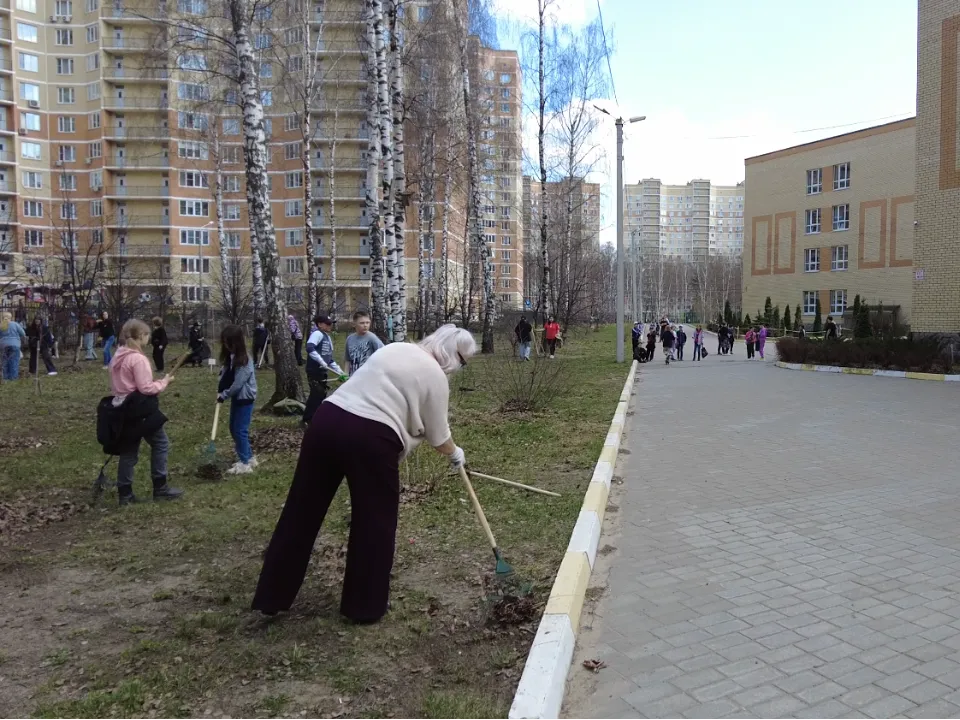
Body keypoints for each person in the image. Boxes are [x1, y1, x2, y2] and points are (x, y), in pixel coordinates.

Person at [251, 324, 477, 623]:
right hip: (370, 439)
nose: (459, 369)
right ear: (454, 356)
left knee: (301, 510)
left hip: (326, 422)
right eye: (463, 362)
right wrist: (455, 452)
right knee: (375, 522)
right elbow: (438, 435)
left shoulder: (395, 348)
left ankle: (272, 595)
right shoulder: (435, 376)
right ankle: (364, 607)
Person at [106, 319, 183, 505]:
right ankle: (160, 487)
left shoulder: (117, 356)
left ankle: (125, 494)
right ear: (141, 336)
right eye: (147, 335)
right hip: (139, 409)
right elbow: (146, 388)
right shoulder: (137, 359)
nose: (148, 339)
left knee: (128, 451)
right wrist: (164, 382)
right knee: (161, 443)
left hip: (121, 407)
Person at [218, 325, 258, 475]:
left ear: (235, 342)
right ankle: (249, 457)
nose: (225, 345)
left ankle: (245, 464)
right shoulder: (232, 357)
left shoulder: (244, 360)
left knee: (240, 430)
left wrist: (224, 395)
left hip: (245, 398)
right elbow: (227, 375)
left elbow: (238, 384)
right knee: (234, 428)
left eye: (227, 342)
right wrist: (221, 385)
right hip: (237, 397)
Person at [303, 315, 347, 425]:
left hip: (322, 371)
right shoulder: (317, 334)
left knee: (321, 395)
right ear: (320, 324)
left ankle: (315, 418)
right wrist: (321, 361)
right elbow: (309, 348)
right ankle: (307, 419)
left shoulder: (327, 337)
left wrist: (340, 372)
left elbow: (329, 359)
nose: (330, 325)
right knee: (316, 395)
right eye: (327, 324)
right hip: (314, 370)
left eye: (331, 323)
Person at [345, 310, 384, 375]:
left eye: (367, 323)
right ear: (354, 324)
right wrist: (345, 373)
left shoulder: (372, 338)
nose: (365, 325)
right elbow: (347, 360)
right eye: (362, 323)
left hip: (368, 376)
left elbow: (383, 354)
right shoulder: (350, 339)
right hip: (353, 376)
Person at [0, 311, 26, 380]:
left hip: (3, 346)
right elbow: (23, 333)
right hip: (15, 345)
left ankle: (5, 378)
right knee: (14, 361)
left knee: (5, 362)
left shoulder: (1, 325)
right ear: (11, 317)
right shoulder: (15, 324)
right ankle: (13, 378)